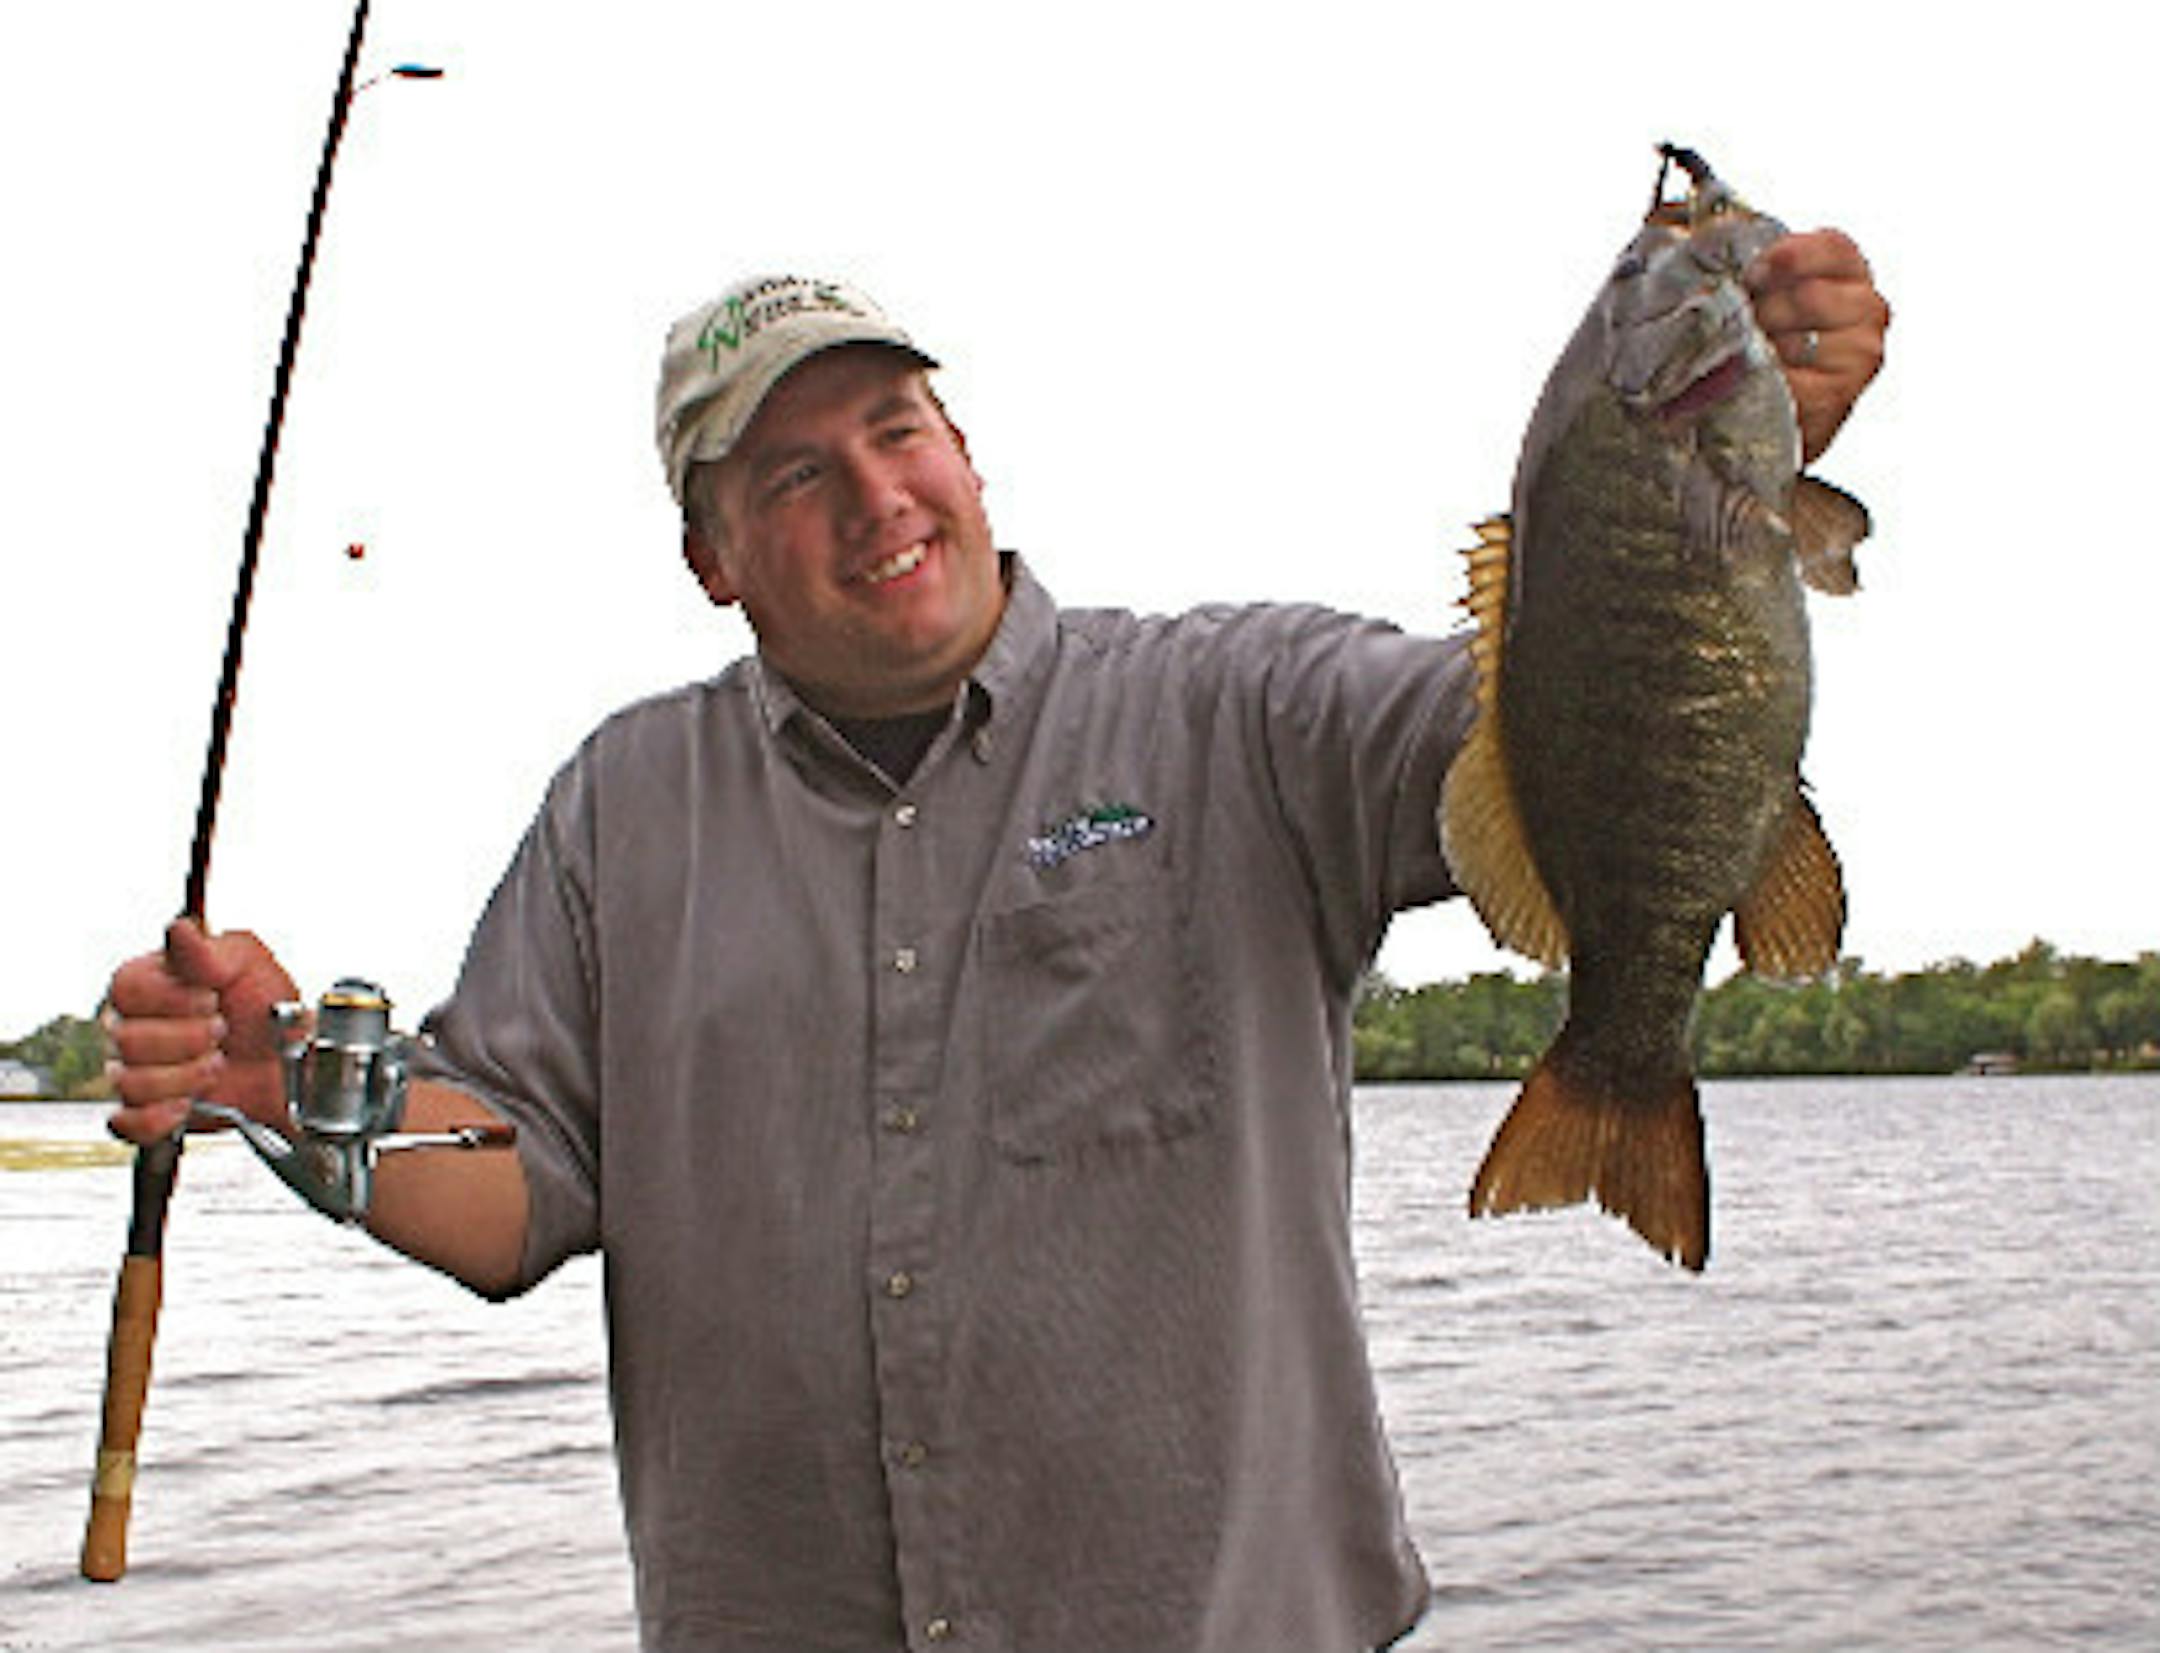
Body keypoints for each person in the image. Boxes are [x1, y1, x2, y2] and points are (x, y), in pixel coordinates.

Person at [105, 245, 1890, 1650]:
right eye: (794, 473)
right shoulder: (621, 809)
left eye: (900, 432)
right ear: (711, 556)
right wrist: (297, 1098)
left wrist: (1717, 473)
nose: (875, 496)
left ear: (968, 457)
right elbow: (517, 1191)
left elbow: (1532, 726)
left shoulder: (1237, 711)